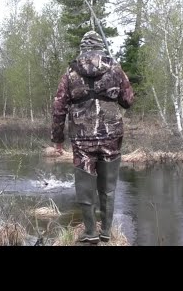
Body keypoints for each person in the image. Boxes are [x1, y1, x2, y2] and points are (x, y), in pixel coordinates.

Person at [51, 30, 134, 244]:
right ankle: (106, 232)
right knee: (108, 187)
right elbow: (128, 100)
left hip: (82, 139)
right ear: (100, 46)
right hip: (111, 136)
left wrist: (57, 139)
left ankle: (90, 233)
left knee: (85, 185)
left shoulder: (70, 72)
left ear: (83, 47)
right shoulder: (115, 68)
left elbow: (59, 107)